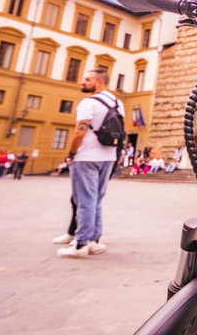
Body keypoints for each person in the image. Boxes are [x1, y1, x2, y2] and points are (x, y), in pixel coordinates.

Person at [57, 69, 125, 259]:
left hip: (86, 157)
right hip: (108, 157)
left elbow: (80, 131)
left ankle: (80, 244)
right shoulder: (118, 103)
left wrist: (71, 153)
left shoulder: (88, 103)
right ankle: (94, 241)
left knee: (85, 201)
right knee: (95, 200)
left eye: (87, 79)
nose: (83, 82)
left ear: (100, 83)